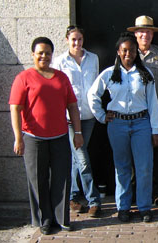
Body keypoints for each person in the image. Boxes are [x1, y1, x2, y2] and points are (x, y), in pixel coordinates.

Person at [9, 37, 82, 234]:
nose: (44, 56)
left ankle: (62, 218)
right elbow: (15, 108)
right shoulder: (23, 78)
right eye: (40, 52)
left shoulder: (61, 77)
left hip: (59, 136)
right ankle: (45, 220)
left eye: (48, 53)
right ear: (33, 54)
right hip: (34, 138)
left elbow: (72, 106)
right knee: (38, 180)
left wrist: (78, 132)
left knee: (62, 178)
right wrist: (18, 137)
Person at [87, 32, 158, 223]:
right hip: (118, 125)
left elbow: (153, 102)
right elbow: (92, 96)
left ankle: (144, 207)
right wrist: (102, 116)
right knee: (122, 167)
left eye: (132, 50)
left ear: (137, 52)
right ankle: (123, 207)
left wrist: (156, 129)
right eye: (125, 50)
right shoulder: (109, 74)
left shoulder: (145, 74)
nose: (128, 54)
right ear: (119, 52)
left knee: (144, 167)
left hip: (141, 124)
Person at [51, 25, 102, 217]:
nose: (77, 43)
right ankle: (93, 199)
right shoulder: (60, 62)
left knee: (77, 158)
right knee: (83, 159)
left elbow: (96, 85)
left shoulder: (93, 58)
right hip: (70, 118)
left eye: (80, 39)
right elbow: (57, 90)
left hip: (89, 116)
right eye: (73, 39)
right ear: (67, 40)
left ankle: (71, 196)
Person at [127, 15, 158, 205]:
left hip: (157, 107)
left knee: (157, 149)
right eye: (141, 31)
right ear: (135, 34)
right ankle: (134, 192)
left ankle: (156, 191)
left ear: (152, 34)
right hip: (133, 109)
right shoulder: (128, 53)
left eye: (148, 31)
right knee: (132, 151)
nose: (145, 34)